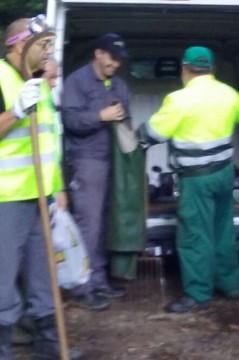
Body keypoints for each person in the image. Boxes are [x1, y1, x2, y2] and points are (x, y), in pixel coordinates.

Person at [139, 46, 239, 313]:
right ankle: (230, 285)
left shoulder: (179, 100)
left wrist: (134, 135)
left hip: (196, 179)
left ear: (185, 69)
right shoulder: (230, 94)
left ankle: (198, 294)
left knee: (195, 236)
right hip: (224, 173)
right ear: (211, 69)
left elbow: (153, 133)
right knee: (223, 230)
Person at [0, 16, 81, 359]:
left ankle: (50, 345)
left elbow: (50, 143)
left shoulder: (39, 85)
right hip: (6, 199)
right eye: (44, 44)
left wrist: (56, 188)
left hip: (39, 197)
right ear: (19, 44)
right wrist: (16, 111)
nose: (49, 52)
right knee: (2, 279)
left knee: (42, 273)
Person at [61, 32, 130, 311]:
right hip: (87, 161)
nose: (115, 64)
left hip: (113, 160)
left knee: (103, 224)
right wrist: (100, 116)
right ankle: (83, 286)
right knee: (88, 224)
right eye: (112, 58)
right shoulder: (77, 81)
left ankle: (99, 281)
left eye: (119, 60)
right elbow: (70, 119)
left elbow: (128, 120)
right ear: (99, 53)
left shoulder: (119, 84)